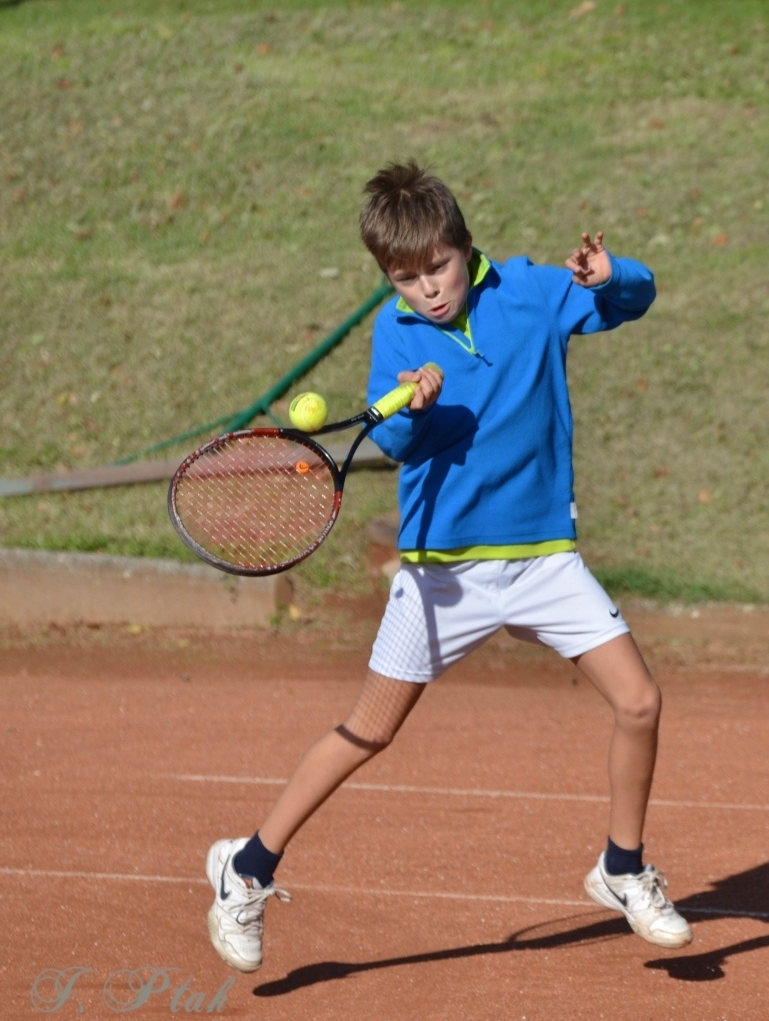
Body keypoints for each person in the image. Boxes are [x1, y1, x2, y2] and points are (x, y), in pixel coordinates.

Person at [204, 160, 690, 973]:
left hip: (542, 560)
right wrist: (413, 411)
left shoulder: (534, 292)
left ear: (466, 246)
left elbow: (630, 302)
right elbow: (392, 444)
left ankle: (623, 867)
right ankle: (245, 867)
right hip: (444, 576)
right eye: (407, 277)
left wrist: (616, 273)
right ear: (387, 279)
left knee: (639, 701)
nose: (429, 289)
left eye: (439, 267)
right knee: (370, 730)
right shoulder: (398, 333)